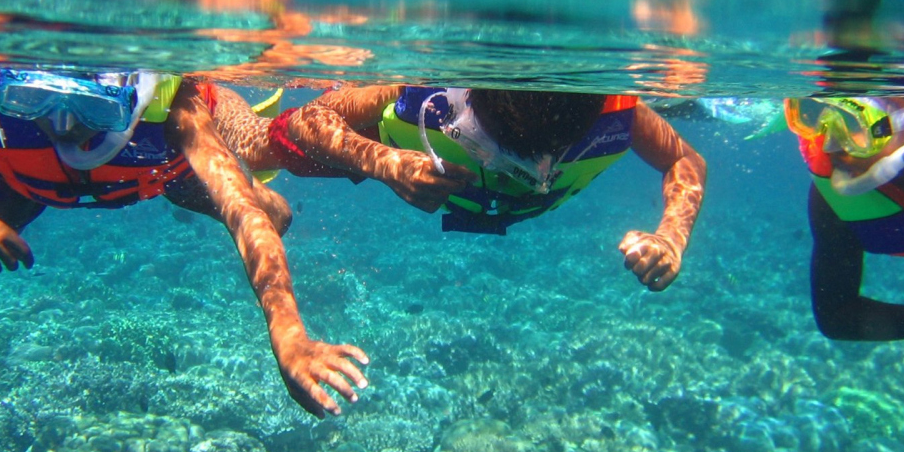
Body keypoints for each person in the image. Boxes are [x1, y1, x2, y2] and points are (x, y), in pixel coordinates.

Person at [0, 65, 368, 418]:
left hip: (160, 173)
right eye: (33, 98)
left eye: (95, 109)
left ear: (135, 95)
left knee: (272, 210)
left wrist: (290, 337)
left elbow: (245, 214)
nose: (65, 128)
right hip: (25, 179)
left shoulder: (174, 113)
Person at [215, 85, 707, 291]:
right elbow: (309, 117)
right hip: (381, 146)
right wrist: (386, 162)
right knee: (259, 150)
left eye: (539, 163)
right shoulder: (424, 92)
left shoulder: (615, 110)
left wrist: (671, 237)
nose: (526, 171)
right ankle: (213, 97)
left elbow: (685, 159)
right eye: (492, 146)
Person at [786, 96, 904, 340]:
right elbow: (836, 316)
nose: (830, 144)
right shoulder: (834, 198)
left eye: (854, 123)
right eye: (812, 114)